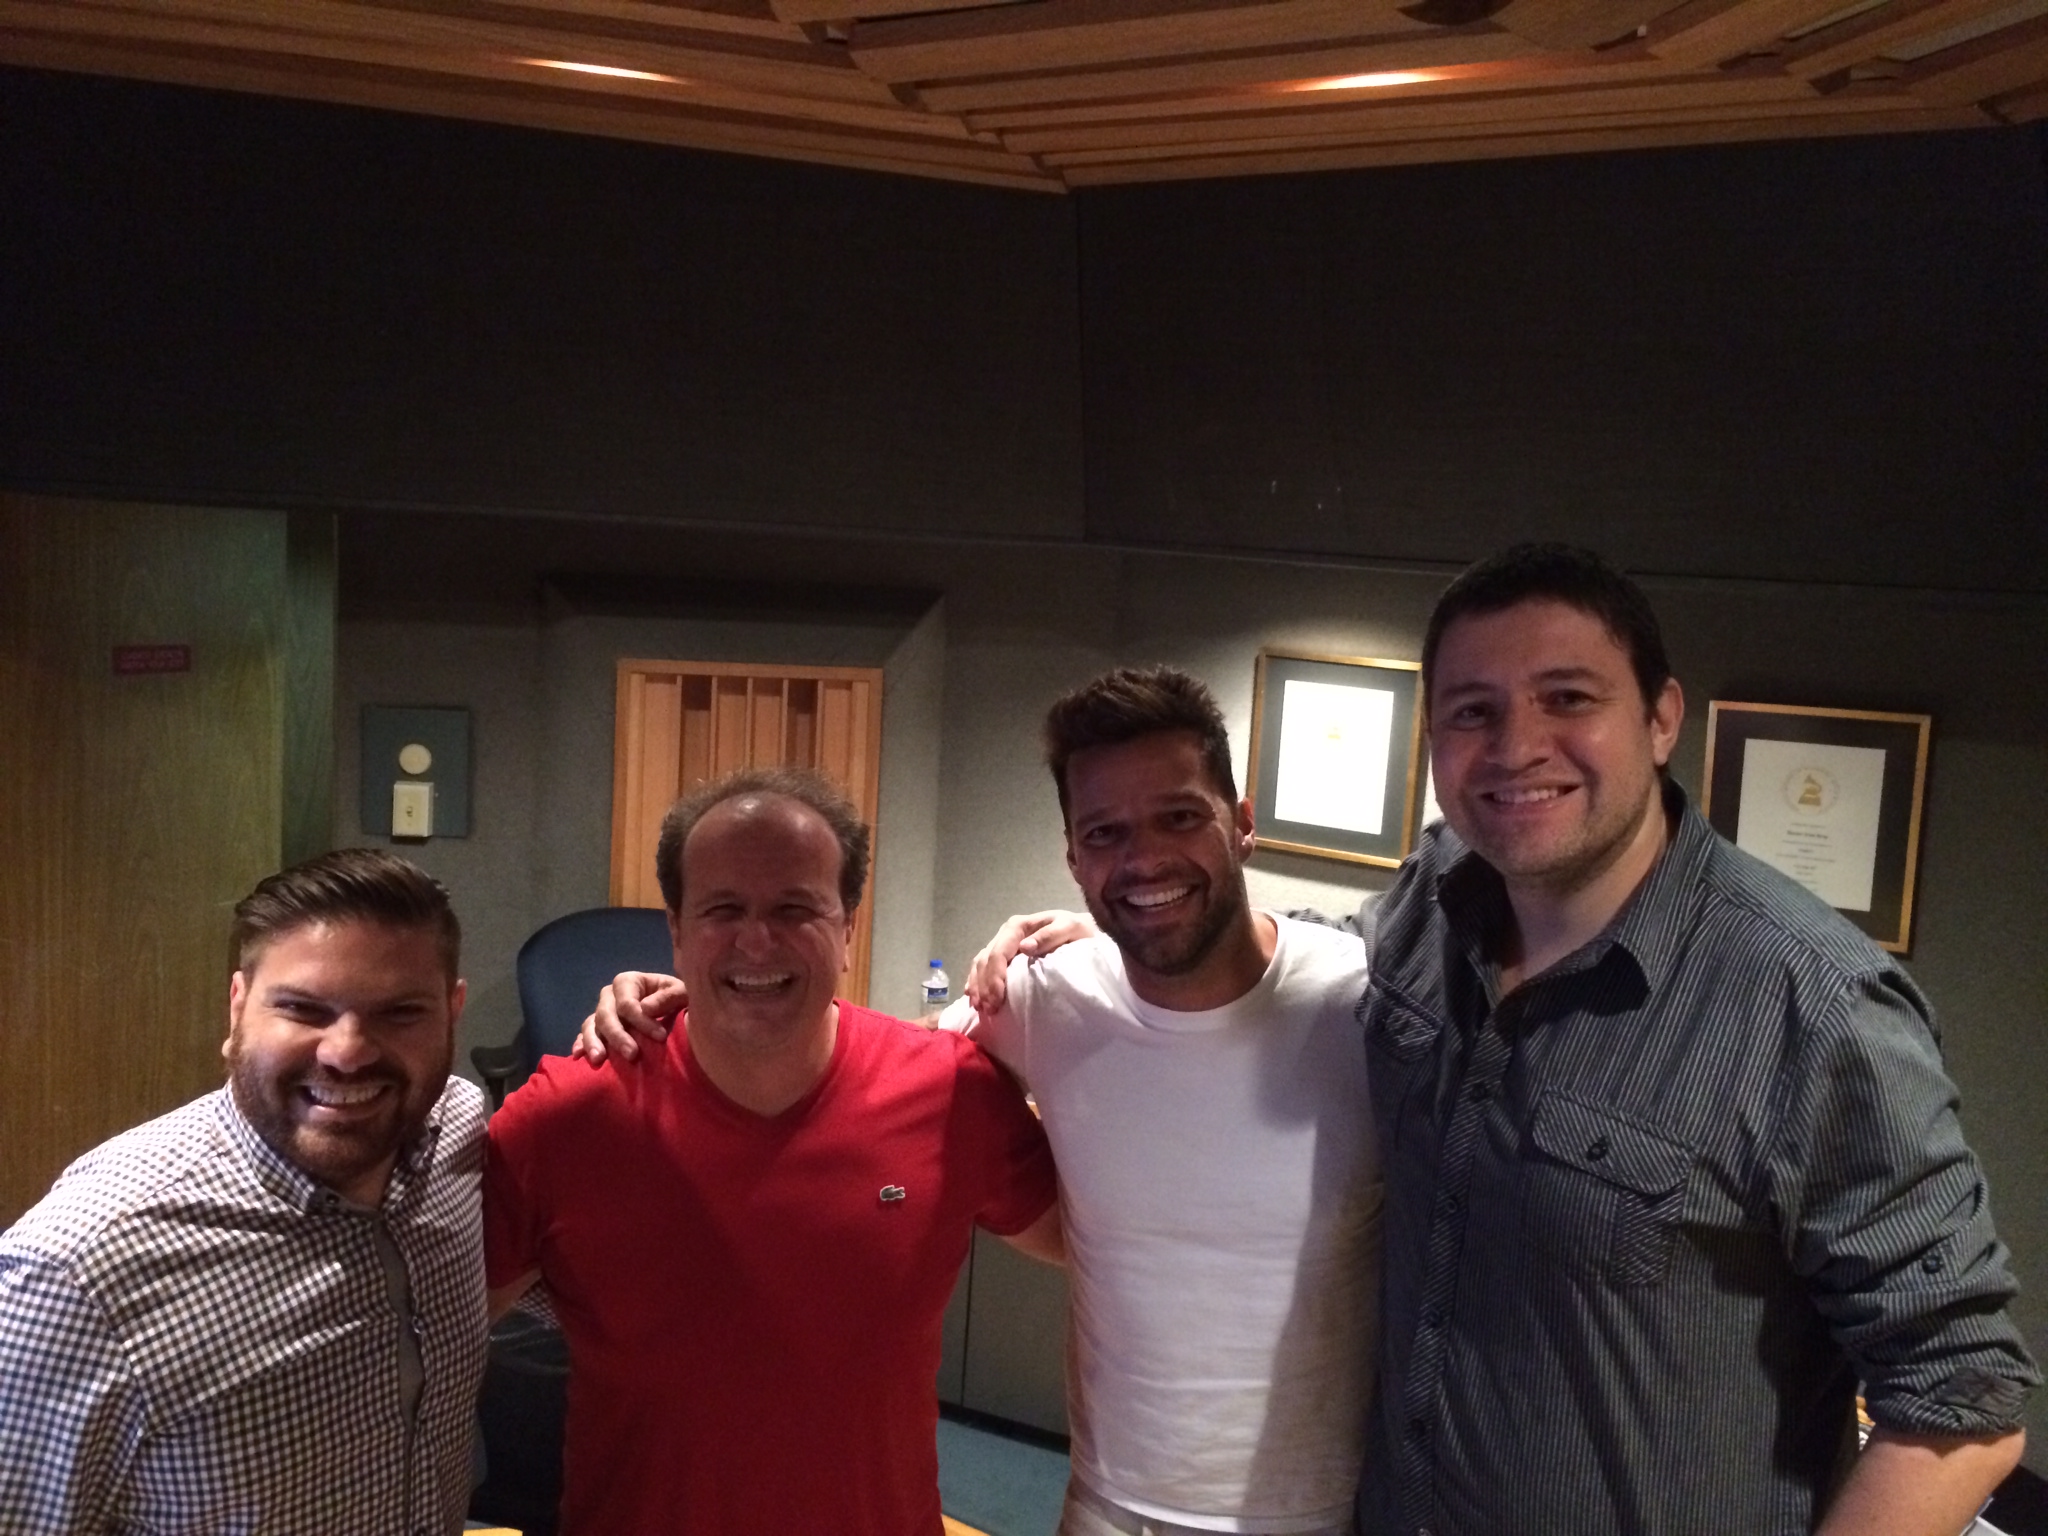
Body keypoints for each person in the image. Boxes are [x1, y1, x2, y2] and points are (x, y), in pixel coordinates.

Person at [587, 671, 1383, 1536]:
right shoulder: (1045, 997)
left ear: (1243, 822)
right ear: (1074, 859)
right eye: (1106, 833)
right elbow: (867, 1068)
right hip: (1109, 1509)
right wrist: (708, 1008)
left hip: (1324, 1514)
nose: (1145, 858)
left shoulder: (1370, 1006)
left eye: (1180, 817)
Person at [1354, 542, 2037, 1535]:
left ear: (1661, 718)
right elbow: (1304, 966)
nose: (1515, 746)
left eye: (1567, 697)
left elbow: (1962, 1403)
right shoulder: (1429, 898)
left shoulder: (1815, 1007)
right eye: (1471, 711)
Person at [484, 765, 1061, 1536]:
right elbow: (418, 1323)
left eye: (795, 908)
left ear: (848, 929)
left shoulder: (950, 1091)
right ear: (676, 931)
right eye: (722, 909)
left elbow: (1109, 1245)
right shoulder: (569, 1115)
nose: (756, 941)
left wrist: (1115, 979)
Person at [0, 848, 485, 1534]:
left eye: (400, 1013)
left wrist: (648, 1030)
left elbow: (585, 1294)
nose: (347, 1052)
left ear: (452, 1012)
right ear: (238, 1008)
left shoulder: (459, 1134)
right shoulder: (77, 1274)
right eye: (303, 1009)